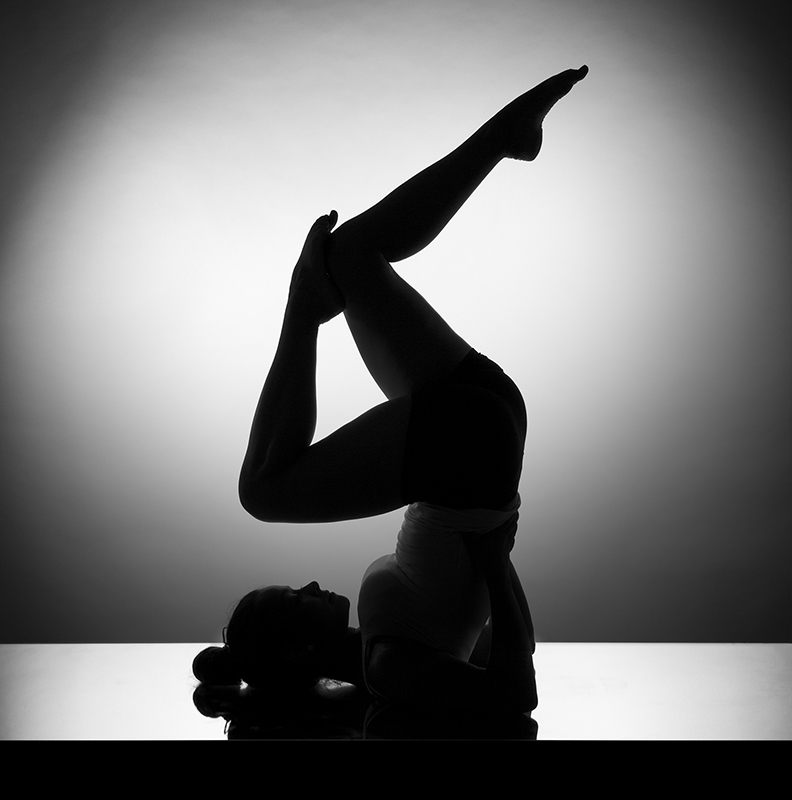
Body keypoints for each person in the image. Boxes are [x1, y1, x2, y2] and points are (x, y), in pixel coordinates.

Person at [194, 66, 589, 714]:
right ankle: (301, 309)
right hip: (467, 458)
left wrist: (492, 546)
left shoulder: (382, 645)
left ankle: (505, 137)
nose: (314, 582)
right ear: (298, 651)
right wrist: (493, 557)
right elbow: (518, 691)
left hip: (480, 440)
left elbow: (497, 643)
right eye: (297, 599)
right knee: (260, 493)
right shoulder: (390, 664)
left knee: (352, 254)